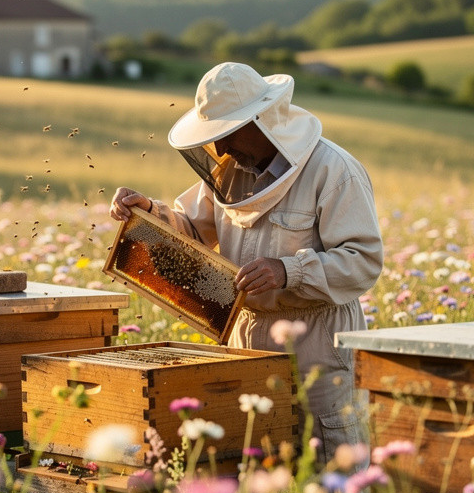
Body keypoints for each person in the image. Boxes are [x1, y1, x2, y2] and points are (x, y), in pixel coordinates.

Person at [110, 62, 383, 470]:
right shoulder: (226, 174)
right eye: (212, 138)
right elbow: (195, 234)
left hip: (318, 345)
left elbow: (364, 260)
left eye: (226, 134)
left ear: (262, 120)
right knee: (254, 478)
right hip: (245, 341)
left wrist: (289, 270)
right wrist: (149, 215)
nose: (220, 150)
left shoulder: (332, 169)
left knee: (336, 477)